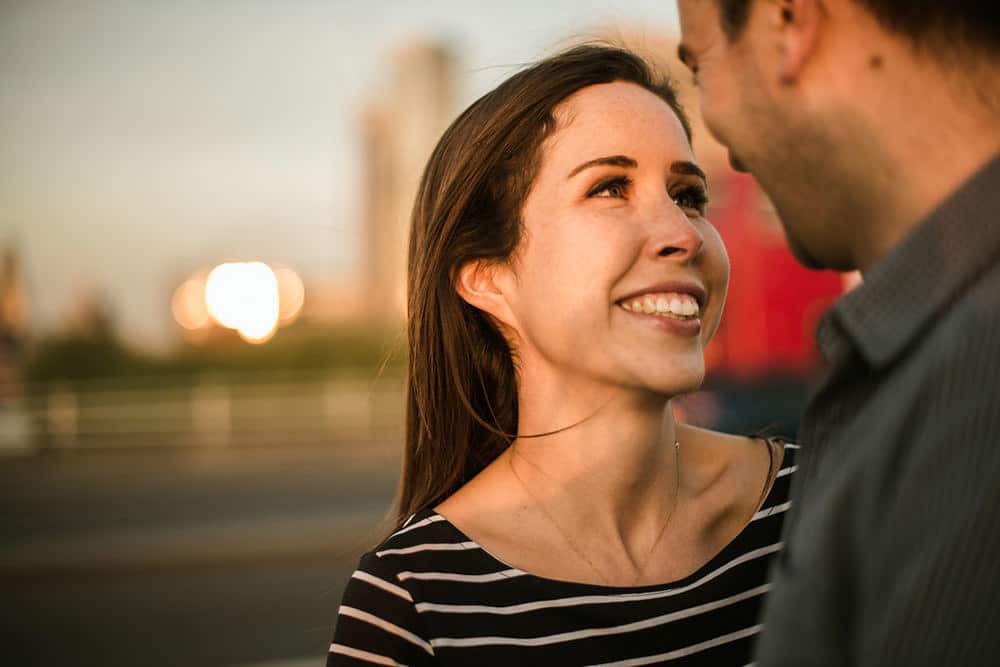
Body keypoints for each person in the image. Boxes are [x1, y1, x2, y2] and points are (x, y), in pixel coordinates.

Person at [327, 45, 797, 666]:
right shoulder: (412, 605)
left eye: (687, 195)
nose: (684, 234)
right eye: (610, 188)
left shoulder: (823, 500)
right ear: (488, 278)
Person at [676, 1, 1000, 664]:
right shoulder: (922, 354)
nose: (719, 134)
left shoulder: (971, 384)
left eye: (699, 65)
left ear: (789, 22)